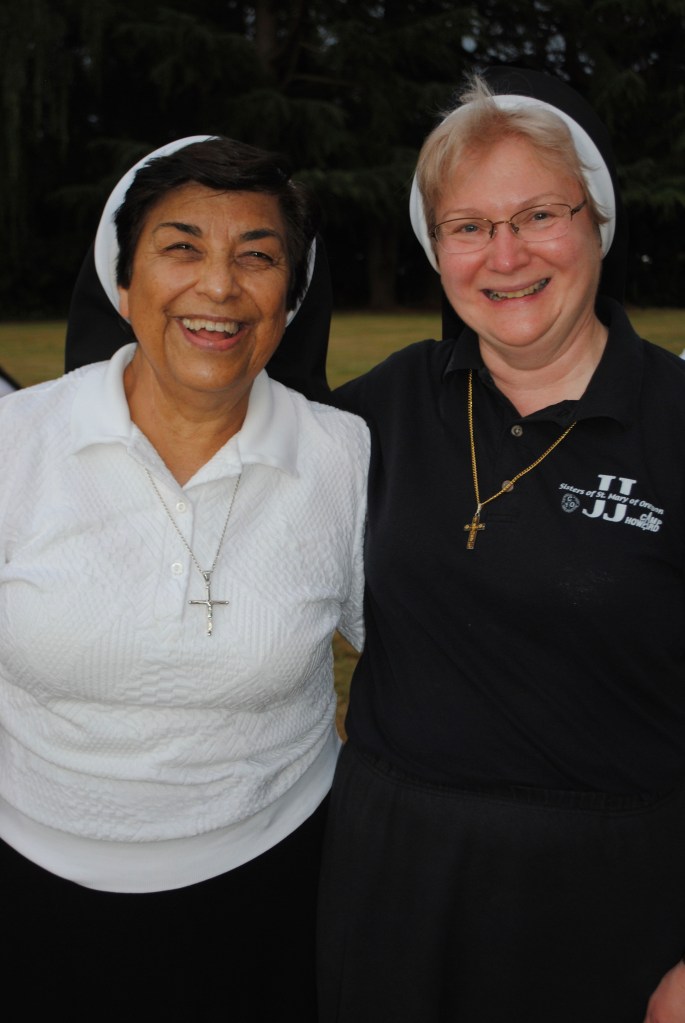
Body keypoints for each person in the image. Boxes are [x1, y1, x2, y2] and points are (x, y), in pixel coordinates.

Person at [317, 68, 685, 1023]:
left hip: (610, 900)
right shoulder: (379, 409)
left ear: (597, 223)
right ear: (436, 251)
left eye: (537, 215)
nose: (505, 254)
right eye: (468, 226)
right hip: (391, 880)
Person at [0, 135, 369, 1020]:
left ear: (290, 296)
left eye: (257, 255)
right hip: (27, 892)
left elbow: (431, 666)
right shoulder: (16, 444)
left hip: (274, 892)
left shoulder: (341, 457)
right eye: (182, 247)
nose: (219, 286)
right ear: (123, 284)